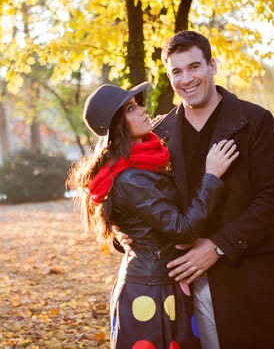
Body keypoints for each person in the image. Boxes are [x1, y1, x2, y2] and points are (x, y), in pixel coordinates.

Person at [66, 81, 239, 349]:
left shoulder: (138, 164)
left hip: (159, 283)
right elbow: (183, 229)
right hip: (150, 292)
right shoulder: (131, 177)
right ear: (117, 125)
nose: (143, 111)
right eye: (131, 109)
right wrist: (211, 177)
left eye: (138, 104)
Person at [149, 30, 274, 348]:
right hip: (178, 283)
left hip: (246, 276)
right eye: (177, 71)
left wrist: (217, 246)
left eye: (194, 67)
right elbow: (142, 200)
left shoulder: (256, 122)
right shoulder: (159, 134)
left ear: (212, 65)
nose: (186, 78)